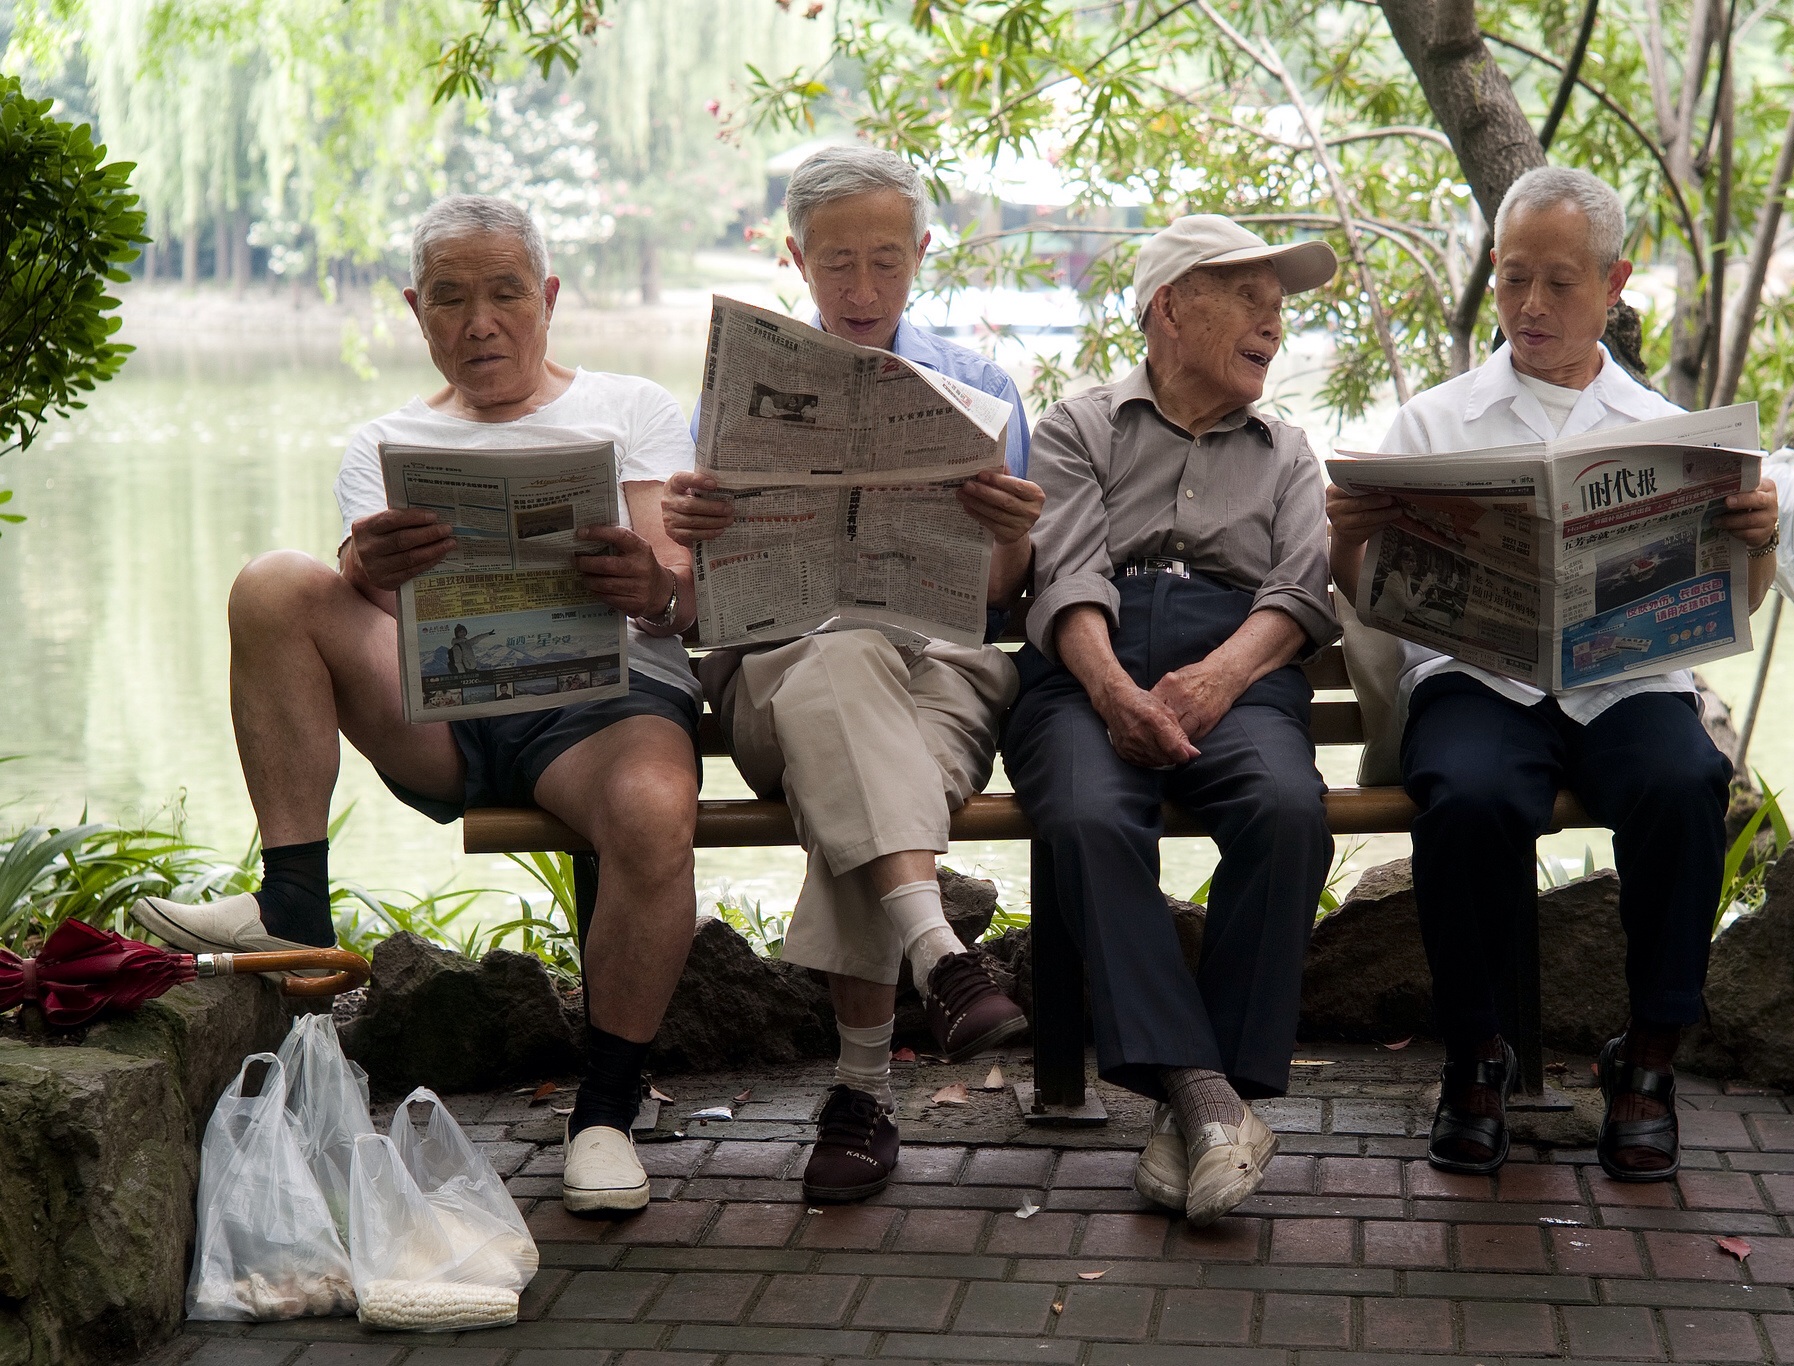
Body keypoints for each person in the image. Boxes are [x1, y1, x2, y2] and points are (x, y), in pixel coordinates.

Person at [132, 195, 705, 1216]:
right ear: (416, 310)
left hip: (604, 708)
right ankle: (293, 909)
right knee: (274, 581)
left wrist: (651, 583)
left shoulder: (632, 408)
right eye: (450, 299)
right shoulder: (386, 442)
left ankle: (606, 1112)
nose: (480, 323)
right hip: (449, 704)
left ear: (548, 298)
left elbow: (678, 589)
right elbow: (363, 594)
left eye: (505, 294)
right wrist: (365, 566)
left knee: (655, 810)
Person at [1326, 167, 1781, 1182]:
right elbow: (1368, 595)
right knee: (1468, 795)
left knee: (1684, 783)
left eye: (1560, 283)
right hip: (1479, 680)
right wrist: (1346, 538)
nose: (1530, 305)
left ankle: (1648, 1058)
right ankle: (1476, 1056)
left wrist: (1755, 542)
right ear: (1492, 269)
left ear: (1614, 284)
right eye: (1513, 278)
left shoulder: (1664, 431)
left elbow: (1734, 603)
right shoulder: (1432, 425)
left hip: (1625, 684)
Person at [661, 144, 1041, 1204]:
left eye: (885, 260)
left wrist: (1011, 532)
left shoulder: (977, 388)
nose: (863, 288)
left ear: (922, 252)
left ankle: (863, 1093)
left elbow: (1000, 593)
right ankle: (938, 954)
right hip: (782, 670)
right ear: (797, 260)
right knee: (839, 658)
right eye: (837, 263)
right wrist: (689, 532)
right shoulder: (743, 391)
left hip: (940, 668)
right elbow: (697, 599)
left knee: (863, 788)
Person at [1004, 215, 1340, 1226]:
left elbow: (1300, 591)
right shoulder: (1079, 425)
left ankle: (1192, 1107)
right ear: (1169, 309)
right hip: (1086, 663)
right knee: (1086, 816)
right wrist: (1114, 692)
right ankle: (1205, 1095)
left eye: (1278, 308)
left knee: (1286, 810)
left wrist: (1218, 678)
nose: (1272, 323)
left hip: (1239, 663)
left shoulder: (1288, 452)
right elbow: (1065, 576)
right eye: (1248, 299)